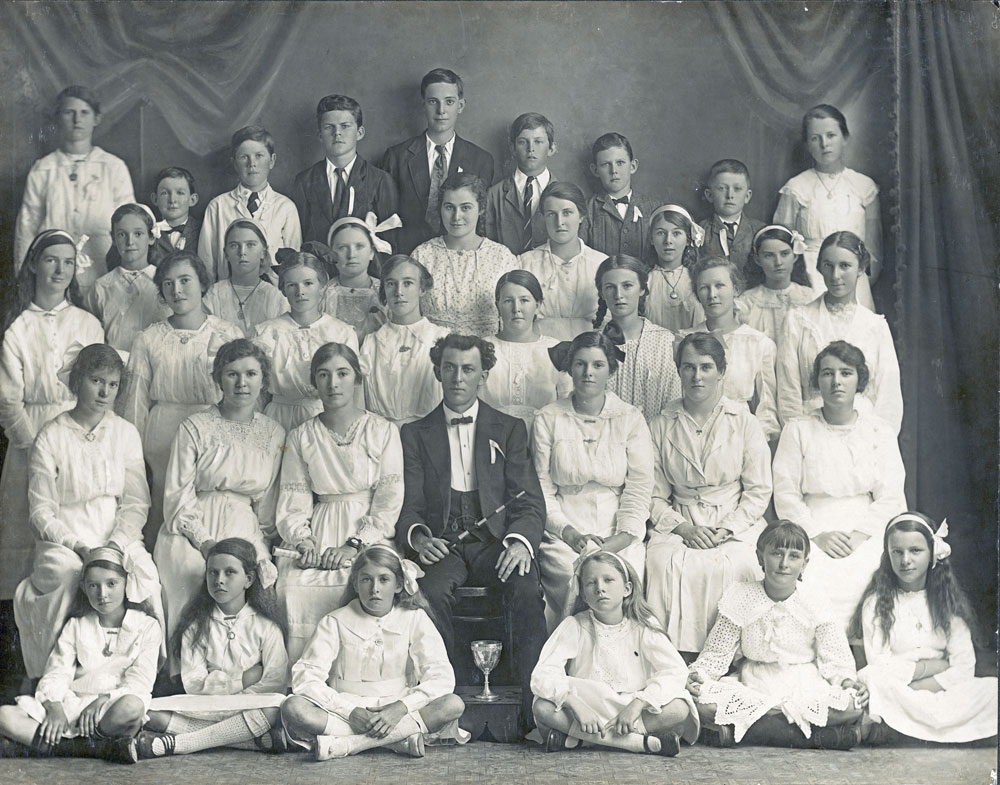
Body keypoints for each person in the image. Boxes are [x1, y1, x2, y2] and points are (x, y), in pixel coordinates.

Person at [395, 333, 547, 732]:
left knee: (527, 588)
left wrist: (519, 542)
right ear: (437, 371)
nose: (458, 378)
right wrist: (419, 537)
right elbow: (407, 503)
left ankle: (531, 709)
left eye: (468, 369)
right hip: (443, 544)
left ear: (483, 375)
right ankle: (453, 697)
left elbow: (529, 500)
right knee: (424, 592)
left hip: (496, 542)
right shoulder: (415, 433)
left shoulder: (510, 428)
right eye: (449, 368)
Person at [13, 344, 160, 680]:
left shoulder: (125, 432)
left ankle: (138, 678)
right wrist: (79, 546)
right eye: (96, 381)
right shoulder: (51, 435)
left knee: (147, 580)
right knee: (69, 579)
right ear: (77, 380)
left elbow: (136, 502)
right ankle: (55, 679)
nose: (105, 391)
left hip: (115, 534)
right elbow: (41, 511)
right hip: (66, 538)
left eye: (112, 384)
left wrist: (117, 544)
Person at [644, 333, 772, 655]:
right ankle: (672, 657)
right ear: (678, 370)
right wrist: (683, 528)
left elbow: (758, 491)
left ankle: (734, 656)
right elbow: (653, 494)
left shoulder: (744, 422)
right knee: (661, 563)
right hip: (681, 518)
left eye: (706, 367)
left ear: (721, 371)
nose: (697, 376)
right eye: (688, 367)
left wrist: (726, 528)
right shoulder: (661, 423)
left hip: (732, 519)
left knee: (740, 562)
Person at [686, 522, 866, 750]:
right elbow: (715, 654)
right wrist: (698, 676)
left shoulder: (816, 600)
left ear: (805, 564)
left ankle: (750, 731)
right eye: (776, 554)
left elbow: (836, 657)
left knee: (854, 705)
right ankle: (806, 737)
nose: (784, 564)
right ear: (760, 557)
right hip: (754, 683)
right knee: (699, 699)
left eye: (794, 556)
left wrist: (847, 681)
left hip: (804, 685)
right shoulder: (740, 596)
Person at [153, 339, 284, 653]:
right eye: (232, 374)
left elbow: (266, 502)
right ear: (218, 379)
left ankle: (241, 671)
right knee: (190, 570)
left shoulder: (273, 432)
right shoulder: (195, 427)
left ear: (263, 380)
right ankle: (184, 670)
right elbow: (177, 495)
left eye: (251, 374)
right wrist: (205, 542)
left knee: (259, 578)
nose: (242, 383)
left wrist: (267, 544)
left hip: (244, 523)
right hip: (192, 525)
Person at [275, 342, 404, 660]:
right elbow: (294, 498)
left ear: (357, 379)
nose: (333, 383)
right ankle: (308, 680)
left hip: (369, 531)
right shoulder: (301, 436)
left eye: (342, 373)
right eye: (324, 375)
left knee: (363, 582)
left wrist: (355, 545)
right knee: (293, 586)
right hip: (320, 529)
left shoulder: (383, 430)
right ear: (314, 382)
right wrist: (304, 543)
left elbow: (389, 499)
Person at [280, 545, 467, 760]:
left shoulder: (414, 618)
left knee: (453, 704)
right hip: (346, 707)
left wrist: (400, 708)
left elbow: (440, 675)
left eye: (384, 580)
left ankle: (348, 744)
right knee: (294, 706)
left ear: (399, 584)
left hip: (398, 706)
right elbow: (307, 677)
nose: (374, 589)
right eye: (366, 579)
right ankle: (399, 739)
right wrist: (350, 712)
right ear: (355, 584)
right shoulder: (334, 621)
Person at [773, 340, 907, 629]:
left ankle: (863, 651)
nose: (836, 382)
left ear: (860, 379)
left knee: (870, 565)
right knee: (814, 569)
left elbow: (891, 494)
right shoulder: (798, 430)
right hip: (813, 523)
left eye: (846, 373)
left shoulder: (878, 431)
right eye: (827, 373)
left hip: (867, 525)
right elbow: (785, 493)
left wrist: (861, 535)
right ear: (817, 380)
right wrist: (816, 534)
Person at [0, 229, 104, 599]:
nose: (60, 270)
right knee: (27, 530)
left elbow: (99, 387)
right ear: (33, 264)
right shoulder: (17, 327)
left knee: (74, 530)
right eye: (50, 260)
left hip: (79, 436)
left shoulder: (87, 323)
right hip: (29, 438)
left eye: (68, 262)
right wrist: (33, 447)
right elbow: (9, 398)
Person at [118, 251, 243, 546]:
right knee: (167, 512)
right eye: (168, 284)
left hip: (215, 432)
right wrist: (131, 454)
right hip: (164, 435)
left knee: (212, 511)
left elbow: (243, 391)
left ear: (202, 284)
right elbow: (135, 402)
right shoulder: (148, 339)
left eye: (185, 280)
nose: (177, 290)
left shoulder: (227, 333)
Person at [533, 332, 652, 629]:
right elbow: (541, 488)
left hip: (616, 526)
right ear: (569, 368)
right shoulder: (548, 417)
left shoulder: (630, 418)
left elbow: (638, 487)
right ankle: (571, 656)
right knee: (568, 572)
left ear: (611, 370)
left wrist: (620, 539)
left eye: (598, 365)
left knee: (622, 573)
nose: (588, 373)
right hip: (564, 527)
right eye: (580, 364)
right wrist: (569, 533)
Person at [0, 547, 160, 763]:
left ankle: (45, 746)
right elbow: (57, 671)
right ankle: (99, 749)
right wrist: (55, 707)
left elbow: (140, 682)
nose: (102, 594)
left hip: (111, 708)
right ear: (84, 588)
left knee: (132, 707)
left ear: (126, 583)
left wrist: (103, 700)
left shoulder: (147, 625)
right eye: (93, 585)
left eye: (111, 584)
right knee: (4, 716)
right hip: (72, 703)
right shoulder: (77, 625)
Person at [531, 551, 698, 756]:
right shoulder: (575, 625)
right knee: (542, 706)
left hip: (631, 709)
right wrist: (575, 705)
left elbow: (674, 670)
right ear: (583, 594)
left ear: (627, 588)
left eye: (608, 580)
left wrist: (638, 704)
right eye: (591, 583)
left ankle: (583, 742)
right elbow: (543, 673)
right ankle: (636, 743)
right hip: (587, 707)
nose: (600, 588)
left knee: (680, 707)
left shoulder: (643, 626)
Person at [852, 512, 998, 745]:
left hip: (935, 691)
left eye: (915, 551)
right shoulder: (876, 602)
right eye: (897, 552)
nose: (905, 560)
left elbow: (963, 667)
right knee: (873, 679)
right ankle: (943, 732)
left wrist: (918, 688)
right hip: (897, 689)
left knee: (993, 689)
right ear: (887, 555)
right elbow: (880, 664)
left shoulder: (947, 601)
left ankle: (900, 728)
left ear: (932, 553)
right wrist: (930, 667)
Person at [137, 538, 289, 759]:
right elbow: (193, 682)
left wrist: (237, 698)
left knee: (275, 710)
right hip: (208, 704)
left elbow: (275, 681)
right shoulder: (196, 625)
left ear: (248, 579)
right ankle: (248, 741)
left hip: (250, 705)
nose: (219, 580)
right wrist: (242, 679)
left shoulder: (267, 626)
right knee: (151, 714)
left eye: (229, 573)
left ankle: (182, 742)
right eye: (213, 573)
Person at [776, 231, 902, 432]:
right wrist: (799, 438)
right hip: (810, 433)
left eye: (845, 266)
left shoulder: (875, 326)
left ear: (860, 268)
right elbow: (787, 391)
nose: (835, 276)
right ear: (819, 268)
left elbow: (889, 398)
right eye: (828, 265)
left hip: (864, 436)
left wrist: (877, 444)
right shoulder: (798, 321)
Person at [14, 86, 135, 293]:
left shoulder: (113, 167)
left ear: (96, 118)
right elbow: (26, 229)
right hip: (54, 274)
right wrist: (23, 280)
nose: (77, 120)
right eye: (69, 112)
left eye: (84, 113)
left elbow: (130, 224)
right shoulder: (44, 169)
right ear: (58, 118)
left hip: (103, 271)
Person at [774, 104, 879, 309]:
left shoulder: (864, 186)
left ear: (845, 138)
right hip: (810, 277)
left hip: (854, 279)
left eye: (831, 135)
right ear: (807, 144)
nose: (824, 144)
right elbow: (780, 244)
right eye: (815, 138)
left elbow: (874, 251)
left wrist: (856, 280)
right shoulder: (795, 188)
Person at [382, 68, 495, 254]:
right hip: (407, 255)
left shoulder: (480, 159)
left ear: (460, 105)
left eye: (449, 102)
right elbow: (388, 220)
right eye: (433, 102)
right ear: (423, 105)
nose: (441, 110)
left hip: (459, 255)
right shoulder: (397, 157)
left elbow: (481, 220)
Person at [251, 252, 358, 432]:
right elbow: (257, 390)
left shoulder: (341, 332)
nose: (300, 292)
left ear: (322, 287)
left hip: (327, 414)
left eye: (308, 283)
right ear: (283, 290)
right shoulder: (267, 332)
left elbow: (352, 387)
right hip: (278, 416)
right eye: (292, 285)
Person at [685, 256, 780, 444]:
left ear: (736, 289)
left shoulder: (758, 343)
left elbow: (767, 409)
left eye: (720, 285)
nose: (712, 294)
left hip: (740, 436)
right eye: (704, 287)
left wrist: (753, 447)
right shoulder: (684, 340)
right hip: (692, 434)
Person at [411, 172, 517, 336]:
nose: (456, 216)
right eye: (449, 207)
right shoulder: (423, 255)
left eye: (465, 207)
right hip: (431, 352)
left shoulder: (501, 257)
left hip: (487, 352)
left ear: (481, 208)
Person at [291, 94, 399, 247]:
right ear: (320, 135)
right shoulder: (305, 181)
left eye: (345, 126)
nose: (337, 133)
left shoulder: (380, 180)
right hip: (318, 267)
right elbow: (299, 236)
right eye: (329, 127)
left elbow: (389, 241)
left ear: (360, 133)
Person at [198, 125, 302, 282]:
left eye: (259, 156)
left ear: (272, 160)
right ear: (234, 163)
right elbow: (206, 263)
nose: (251, 163)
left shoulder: (286, 207)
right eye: (244, 157)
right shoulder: (218, 206)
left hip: (273, 297)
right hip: (227, 297)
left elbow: (294, 265)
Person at [359, 255, 449, 425]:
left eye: (408, 283)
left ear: (422, 289)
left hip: (429, 437)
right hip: (380, 438)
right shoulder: (370, 344)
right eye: (391, 284)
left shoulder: (441, 339)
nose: (398, 292)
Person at [592, 255, 681, 421]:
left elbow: (673, 402)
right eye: (610, 287)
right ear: (602, 293)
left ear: (641, 289)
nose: (619, 295)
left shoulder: (664, 342)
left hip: (655, 438)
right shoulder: (593, 345)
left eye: (627, 286)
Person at [481, 270, 571, 429]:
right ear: (498, 306)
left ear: (537, 306)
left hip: (543, 437)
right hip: (492, 437)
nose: (516, 308)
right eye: (508, 301)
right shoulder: (481, 349)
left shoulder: (557, 350)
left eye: (524, 300)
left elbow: (567, 406)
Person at [518, 181, 606, 341]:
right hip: (537, 351)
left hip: (590, 353)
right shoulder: (526, 263)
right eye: (552, 214)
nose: (559, 222)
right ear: (544, 217)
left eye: (567, 213)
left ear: (581, 216)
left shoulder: (601, 264)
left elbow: (610, 322)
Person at [86, 204, 171, 362]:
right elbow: (91, 335)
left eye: (138, 234)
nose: (130, 241)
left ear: (151, 237)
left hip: (157, 366)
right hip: (114, 372)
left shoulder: (166, 283)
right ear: (113, 238)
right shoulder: (101, 287)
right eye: (122, 235)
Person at [484, 112, 557, 254]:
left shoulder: (563, 193)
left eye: (538, 141)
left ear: (551, 149)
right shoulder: (494, 195)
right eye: (523, 142)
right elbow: (488, 243)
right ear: (513, 149)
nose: (531, 149)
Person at [203, 219, 287, 336]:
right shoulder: (213, 296)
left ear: (263, 252)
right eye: (234, 246)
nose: (242, 252)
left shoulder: (276, 298)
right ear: (226, 253)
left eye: (250, 245)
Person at [106, 167, 201, 270]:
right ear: (155, 199)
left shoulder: (203, 230)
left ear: (192, 199)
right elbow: (113, 264)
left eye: (180, 193)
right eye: (165, 193)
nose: (172, 200)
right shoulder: (143, 230)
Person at [585, 133, 660, 261]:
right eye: (605, 164)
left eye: (620, 163)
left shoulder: (655, 208)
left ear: (633, 166)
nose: (613, 170)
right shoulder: (587, 210)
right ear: (595, 170)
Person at [735, 225, 814, 345]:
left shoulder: (809, 297)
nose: (778, 262)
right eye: (769, 255)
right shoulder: (747, 302)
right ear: (757, 259)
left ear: (795, 256)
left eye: (784, 254)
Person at [322, 215, 390, 341]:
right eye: (342, 248)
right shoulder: (323, 294)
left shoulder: (386, 293)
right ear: (331, 254)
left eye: (359, 247)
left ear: (371, 252)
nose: (351, 255)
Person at [697, 159, 766, 274]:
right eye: (722, 188)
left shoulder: (760, 231)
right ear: (709, 195)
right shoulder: (699, 231)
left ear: (747, 196)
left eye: (737, 189)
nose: (730, 195)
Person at [644, 204, 705, 332]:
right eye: (661, 233)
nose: (668, 240)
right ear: (651, 239)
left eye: (676, 233)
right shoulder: (644, 280)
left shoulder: (698, 278)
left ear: (688, 239)